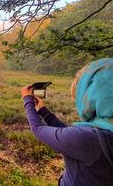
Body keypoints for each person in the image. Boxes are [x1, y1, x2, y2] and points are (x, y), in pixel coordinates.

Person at [21, 58, 113, 186]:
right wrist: (42, 111)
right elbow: (70, 134)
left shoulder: (91, 138)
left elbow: (37, 129)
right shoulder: (102, 132)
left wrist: (27, 99)